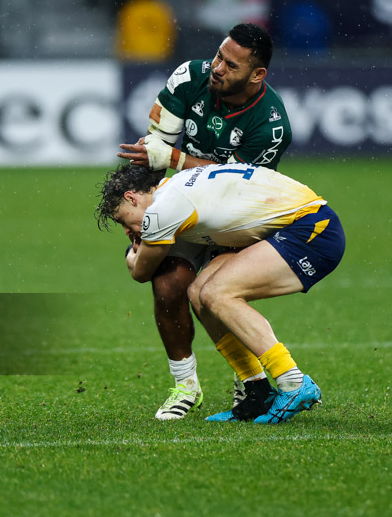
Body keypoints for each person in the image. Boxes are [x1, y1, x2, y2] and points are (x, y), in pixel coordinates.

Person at [117, 23, 293, 420]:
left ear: (257, 74)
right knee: (168, 284)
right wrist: (140, 215)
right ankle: (185, 386)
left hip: (237, 214)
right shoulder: (188, 77)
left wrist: (175, 160)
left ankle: (250, 379)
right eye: (218, 56)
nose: (217, 68)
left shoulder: (271, 125)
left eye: (231, 65)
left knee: (216, 294)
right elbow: (154, 151)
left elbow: (234, 185)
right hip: (182, 204)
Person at [96, 162, 345, 424]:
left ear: (131, 198)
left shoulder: (163, 209)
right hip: (288, 227)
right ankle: (257, 392)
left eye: (122, 220)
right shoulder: (178, 184)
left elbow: (141, 272)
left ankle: (293, 382)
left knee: (217, 294)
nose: (127, 230)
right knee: (198, 293)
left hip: (313, 230)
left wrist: (131, 255)